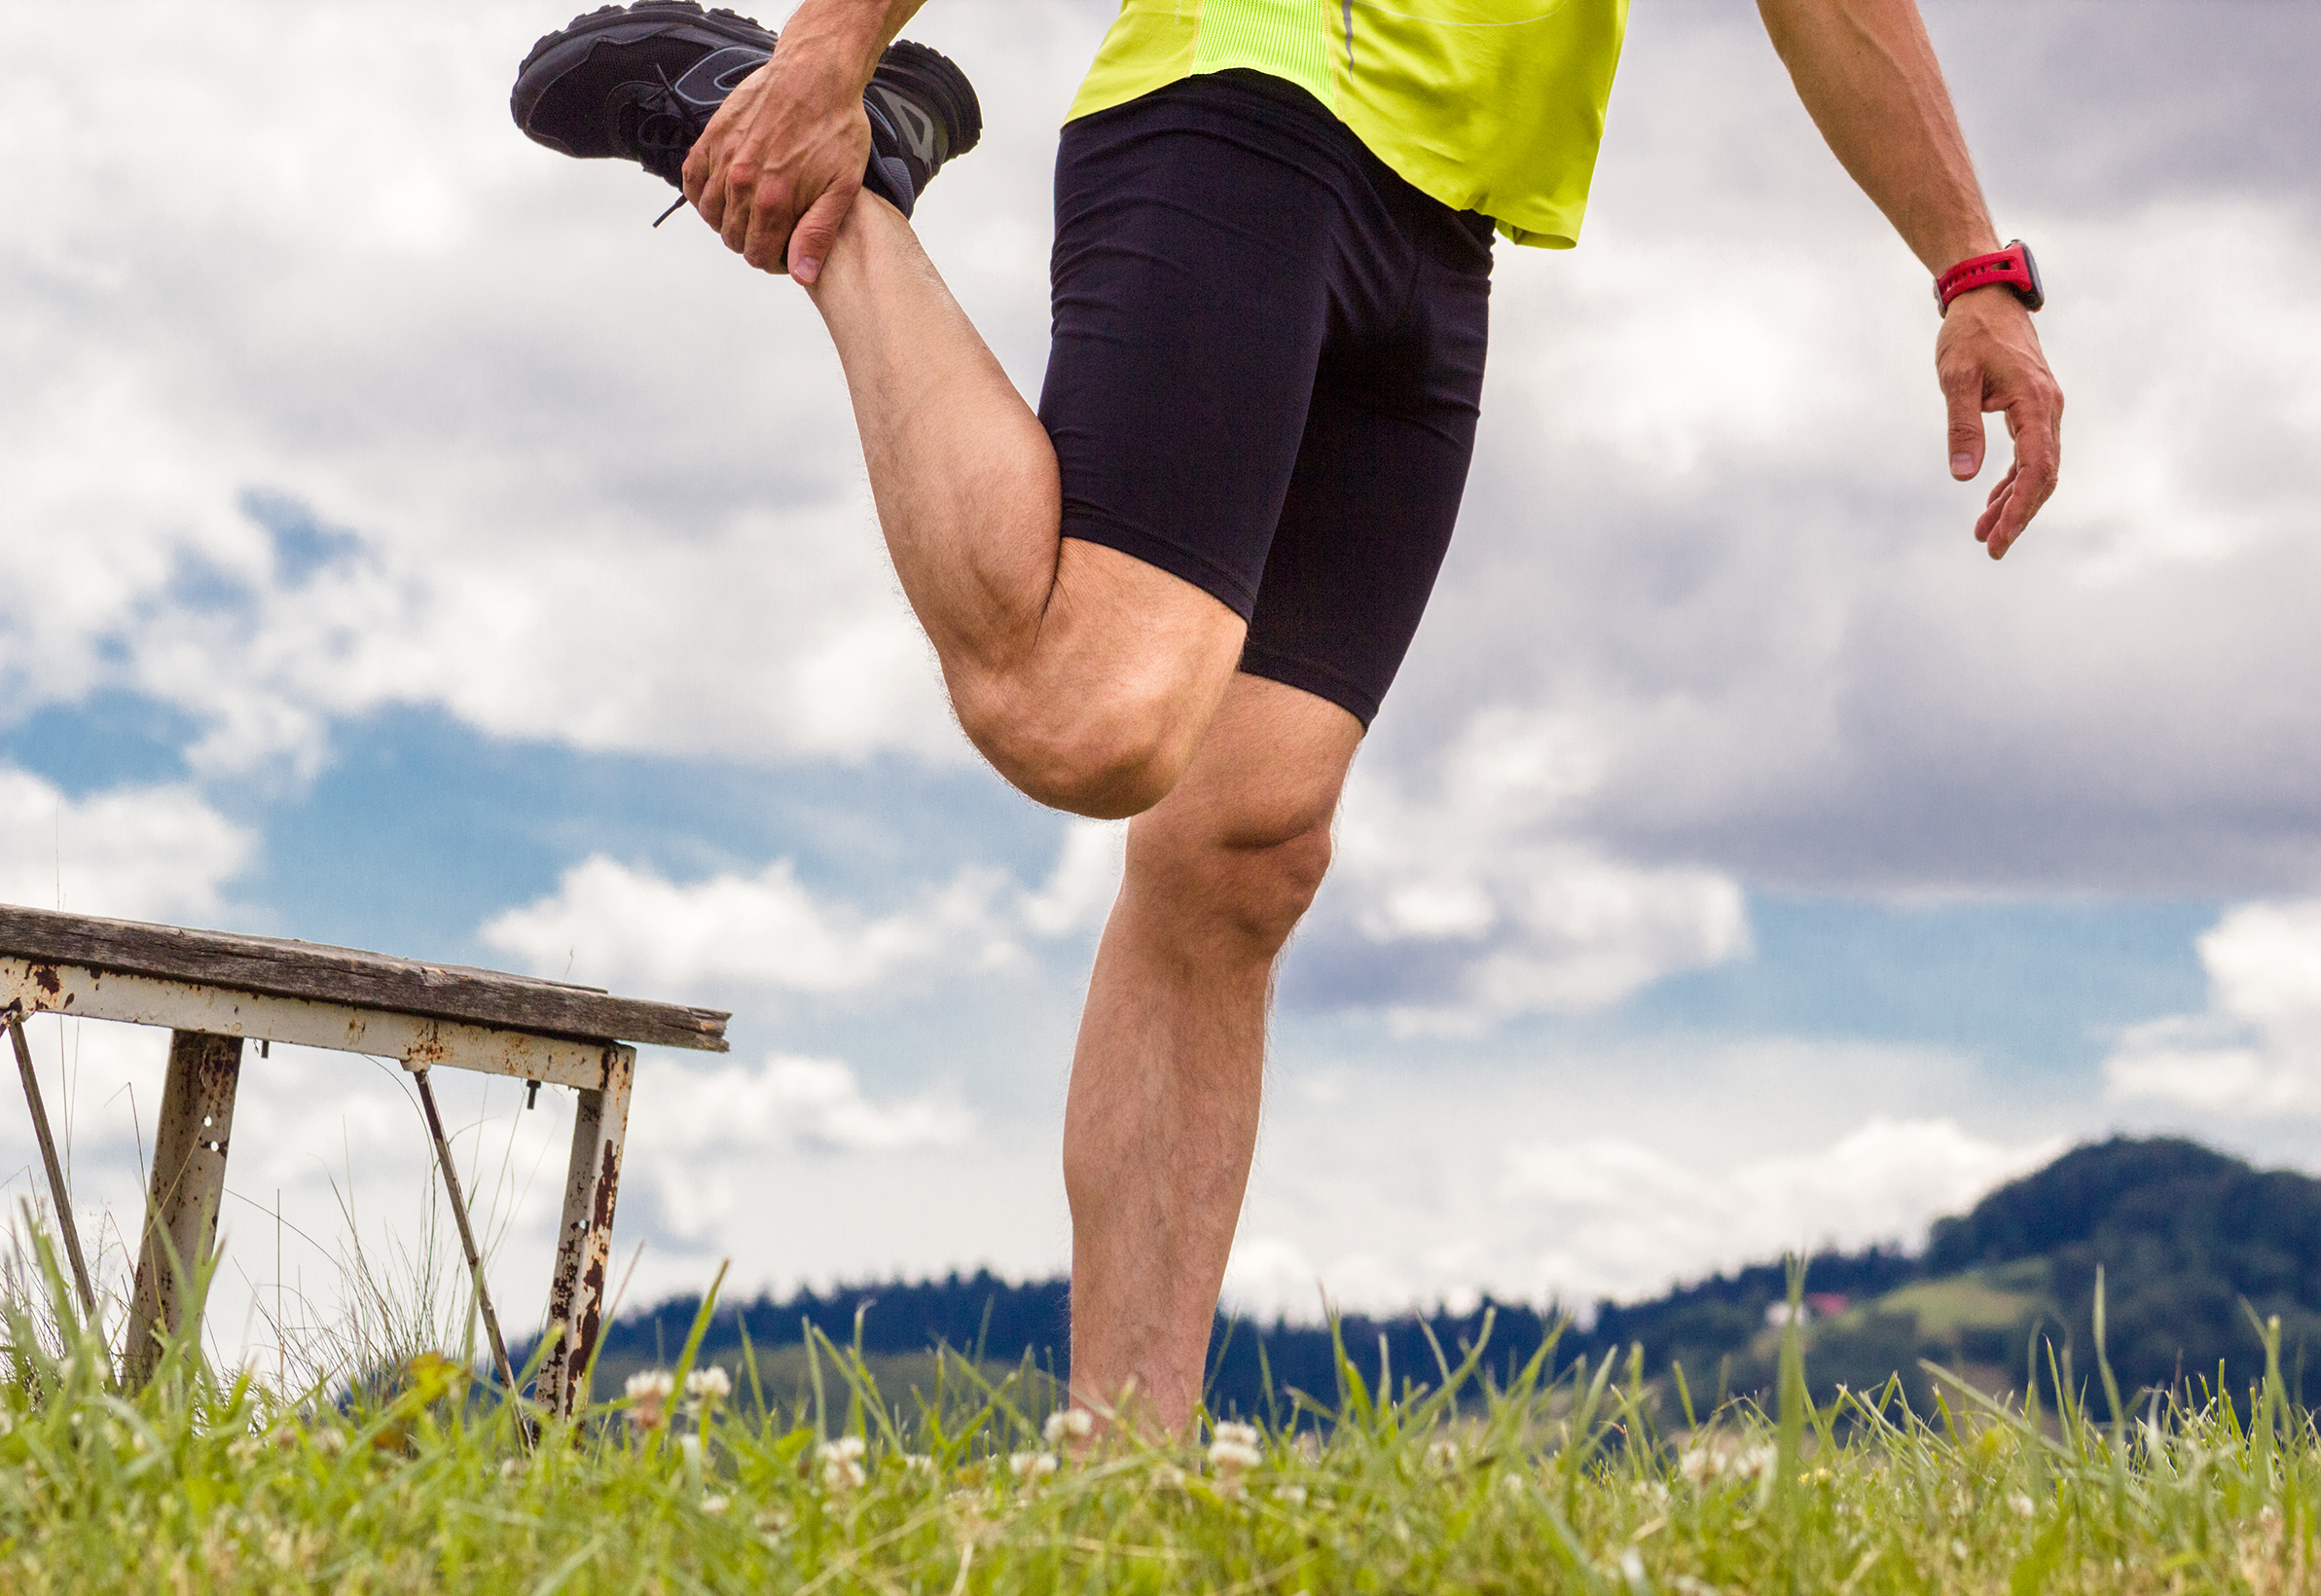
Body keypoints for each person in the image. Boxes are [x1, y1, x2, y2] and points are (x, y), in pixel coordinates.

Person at [513, 0, 2063, 1432]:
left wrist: (1972, 265)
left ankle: (1129, 1474)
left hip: (1448, 216)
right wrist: (831, 54)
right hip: (1251, 93)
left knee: (1245, 847)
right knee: (1089, 720)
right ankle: (851, 197)